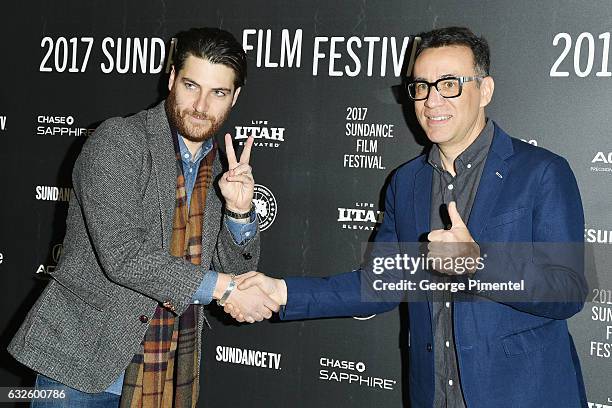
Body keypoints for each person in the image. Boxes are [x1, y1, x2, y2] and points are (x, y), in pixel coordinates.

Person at [229, 27, 588, 407]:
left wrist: (478, 264)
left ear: (484, 91)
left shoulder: (542, 172)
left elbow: (567, 291)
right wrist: (281, 292)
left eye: (449, 84)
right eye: (421, 86)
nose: (432, 101)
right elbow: (381, 284)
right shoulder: (406, 182)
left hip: (525, 396)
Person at [8, 27, 278, 407]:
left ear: (234, 97)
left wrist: (238, 210)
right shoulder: (119, 141)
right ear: (171, 80)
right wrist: (228, 290)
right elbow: (123, 255)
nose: (201, 104)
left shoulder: (221, 170)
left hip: (164, 364)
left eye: (217, 92)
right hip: (81, 360)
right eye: (190, 85)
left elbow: (230, 267)